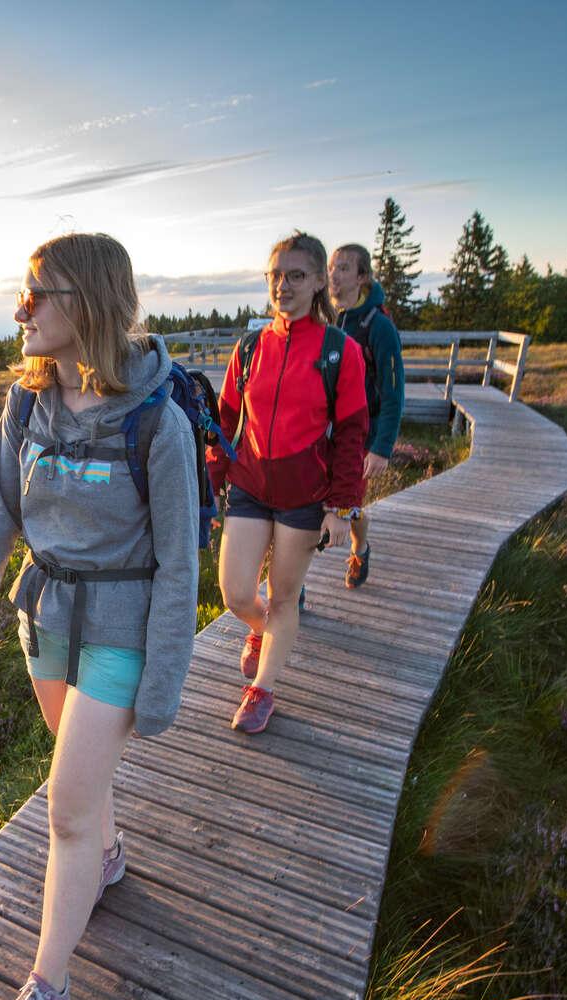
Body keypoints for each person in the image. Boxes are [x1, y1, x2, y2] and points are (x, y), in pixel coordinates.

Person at [0, 232, 199, 1000]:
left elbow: (179, 564)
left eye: (38, 293)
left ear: (87, 303)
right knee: (81, 785)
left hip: (121, 632)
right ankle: (112, 852)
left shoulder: (156, 421)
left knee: (62, 808)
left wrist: (162, 684)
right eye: (22, 291)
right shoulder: (25, 404)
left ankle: (48, 987)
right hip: (45, 621)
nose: (21, 308)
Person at [206, 232, 368, 733]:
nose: (283, 286)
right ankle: (262, 632)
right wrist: (207, 485)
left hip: (304, 497)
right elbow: (224, 423)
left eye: (296, 276)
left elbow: (352, 433)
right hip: (250, 484)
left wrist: (341, 508)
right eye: (276, 275)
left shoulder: (340, 352)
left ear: (320, 281)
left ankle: (263, 691)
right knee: (234, 592)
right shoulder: (251, 347)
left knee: (282, 595)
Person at [328, 242, 405, 588]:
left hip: (363, 432)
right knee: (305, 501)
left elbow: (393, 390)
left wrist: (382, 447)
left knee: (350, 501)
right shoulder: (328, 318)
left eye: (344, 268)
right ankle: (292, 587)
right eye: (331, 267)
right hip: (324, 430)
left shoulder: (379, 326)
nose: (334, 274)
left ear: (362, 277)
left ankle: (360, 547)